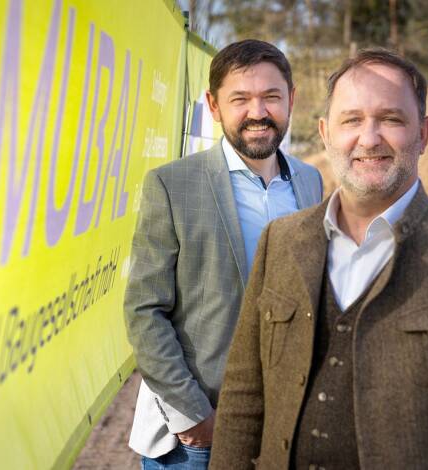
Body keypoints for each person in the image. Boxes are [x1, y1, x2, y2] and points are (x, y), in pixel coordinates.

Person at [210, 48, 428, 469]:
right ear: (325, 133)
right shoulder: (282, 242)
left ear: (424, 134)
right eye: (351, 120)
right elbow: (243, 396)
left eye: (391, 119)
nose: (369, 139)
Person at [124, 39, 323, 469]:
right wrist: (193, 416)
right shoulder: (172, 186)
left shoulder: (310, 182)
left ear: (291, 100)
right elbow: (144, 311)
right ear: (214, 106)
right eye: (240, 99)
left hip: (281, 430)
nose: (258, 112)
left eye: (271, 97)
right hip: (197, 439)